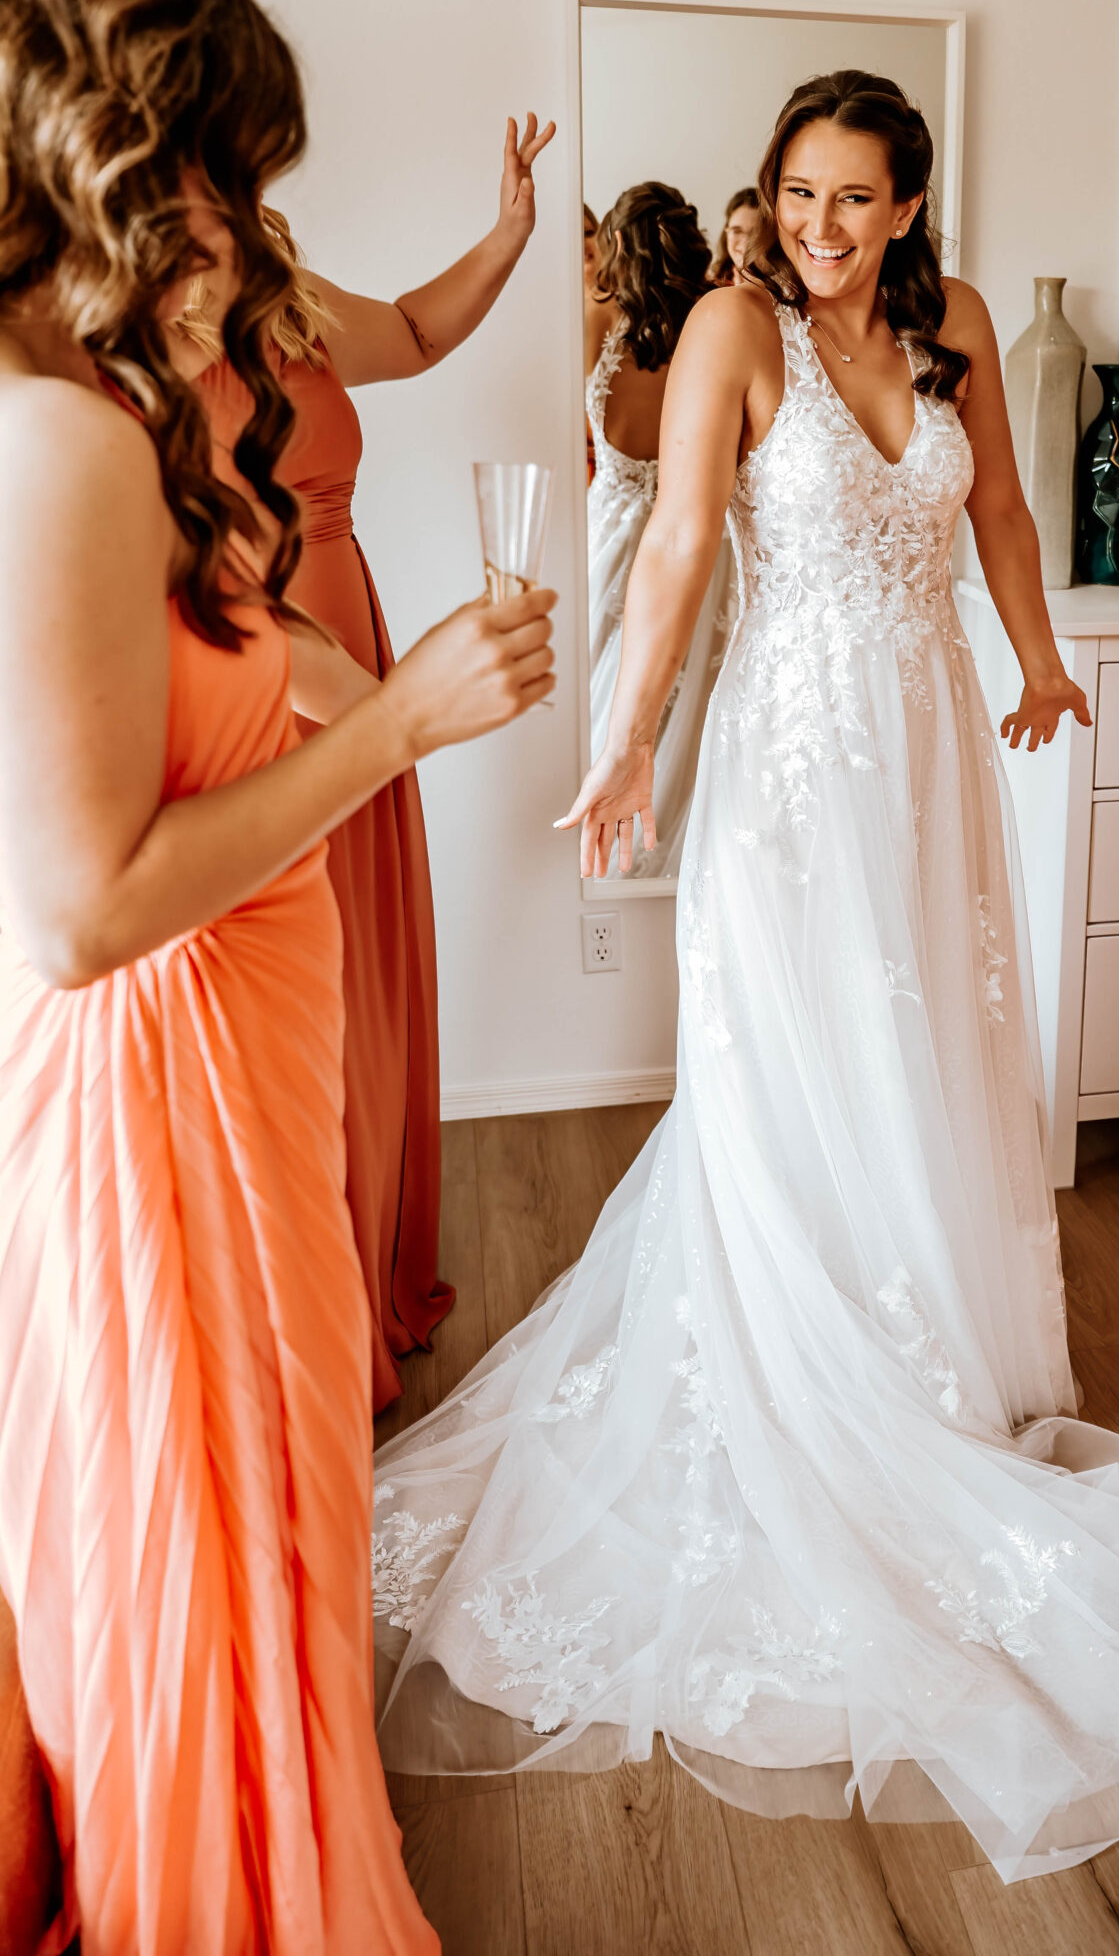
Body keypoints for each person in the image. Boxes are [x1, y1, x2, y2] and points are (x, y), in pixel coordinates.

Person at [369, 69, 1119, 1884]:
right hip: (789, 775)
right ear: (767, 194)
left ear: (910, 205)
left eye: (856, 198)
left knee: (929, 1055)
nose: (821, 228)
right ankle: (802, 1377)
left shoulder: (947, 327)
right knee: (793, 1074)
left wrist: (1034, 657)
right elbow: (685, 552)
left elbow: (1004, 514)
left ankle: (932, 1364)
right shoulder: (728, 323)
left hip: (926, 750)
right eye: (798, 193)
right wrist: (624, 749)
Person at [0, 0, 555, 1954]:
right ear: (127, 156)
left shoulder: (116, 398)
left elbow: (210, 670)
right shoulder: (52, 438)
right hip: (162, 1102)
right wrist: (400, 715)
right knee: (209, 1571)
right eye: (235, 165)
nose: (252, 219)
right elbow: (81, 913)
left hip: (241, 1063)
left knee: (274, 1543)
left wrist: (361, 677)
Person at [170, 112, 556, 1410]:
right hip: (266, 677)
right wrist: (384, 705)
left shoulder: (278, 290)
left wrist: (506, 234)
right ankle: (301, 1310)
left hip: (361, 643)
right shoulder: (124, 328)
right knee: (302, 992)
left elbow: (414, 327)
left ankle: (364, 1266)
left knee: (367, 984)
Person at [584, 181, 728, 874]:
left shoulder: (592, 321)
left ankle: (601, 824)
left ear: (615, 245)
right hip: (697, 535)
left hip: (609, 534)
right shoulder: (716, 325)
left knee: (607, 685)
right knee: (686, 690)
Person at [706, 183, 774, 284]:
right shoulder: (710, 287)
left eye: (756, 232)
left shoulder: (787, 290)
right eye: (737, 231)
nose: (745, 241)